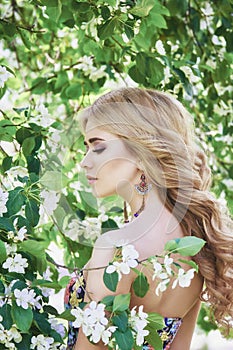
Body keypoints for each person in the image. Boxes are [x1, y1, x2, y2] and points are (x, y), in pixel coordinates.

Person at [64, 87, 233, 350]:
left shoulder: (117, 248)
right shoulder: (194, 242)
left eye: (98, 147)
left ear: (140, 152)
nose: (85, 162)